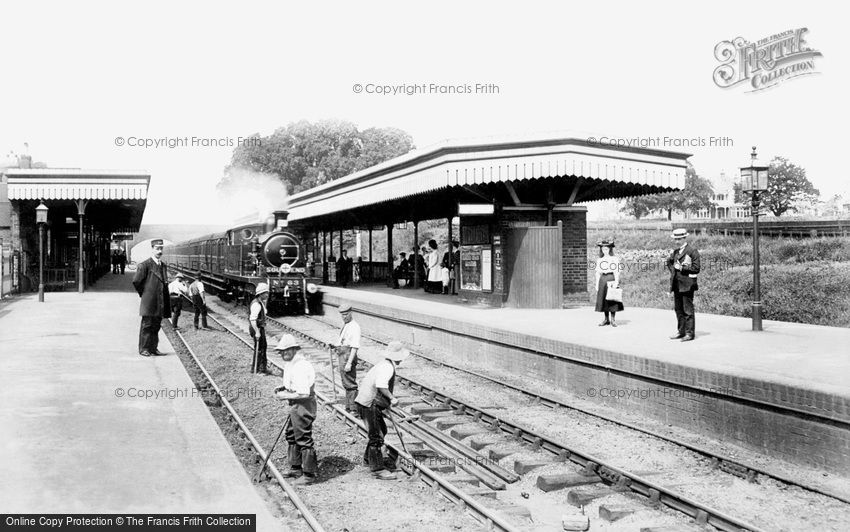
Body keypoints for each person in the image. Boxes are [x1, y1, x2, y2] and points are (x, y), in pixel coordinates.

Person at [355, 341, 410, 480]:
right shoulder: (387, 368)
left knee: (381, 431)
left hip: (367, 402)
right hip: (370, 403)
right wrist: (392, 399)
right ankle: (377, 469)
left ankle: (368, 459)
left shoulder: (384, 364)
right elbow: (381, 385)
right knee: (377, 436)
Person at [273, 334, 318, 483]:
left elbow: (303, 392)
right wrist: (283, 388)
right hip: (295, 403)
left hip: (303, 404)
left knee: (303, 437)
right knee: (291, 434)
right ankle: (295, 468)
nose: (283, 354)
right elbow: (292, 384)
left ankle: (309, 475)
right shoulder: (290, 363)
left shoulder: (301, 366)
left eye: (286, 351)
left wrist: (284, 396)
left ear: (294, 350)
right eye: (281, 352)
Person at [132, 239, 171, 357]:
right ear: (152, 249)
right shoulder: (145, 265)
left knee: (156, 326)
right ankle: (144, 348)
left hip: (160, 301)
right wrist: (144, 294)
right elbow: (136, 281)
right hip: (149, 301)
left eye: (161, 249)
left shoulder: (163, 265)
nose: (159, 251)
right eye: (157, 248)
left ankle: (153, 348)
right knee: (147, 325)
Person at [666, 229, 701, 342]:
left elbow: (696, 269)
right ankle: (681, 331)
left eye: (679, 239)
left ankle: (690, 333)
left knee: (688, 310)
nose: (677, 241)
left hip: (687, 285)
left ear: (684, 238)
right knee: (678, 309)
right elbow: (669, 262)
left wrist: (681, 268)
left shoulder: (692, 251)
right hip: (677, 285)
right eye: (675, 239)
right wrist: (674, 272)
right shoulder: (676, 251)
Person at [335, 302, 360, 414]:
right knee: (346, 382)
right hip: (343, 354)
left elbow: (354, 346)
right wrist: (335, 345)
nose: (344, 317)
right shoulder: (346, 325)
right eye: (342, 315)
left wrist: (349, 363)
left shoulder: (355, 327)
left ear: (351, 313)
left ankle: (354, 408)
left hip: (347, 355)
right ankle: (349, 406)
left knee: (350, 383)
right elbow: (344, 340)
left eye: (346, 314)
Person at [594, 239, 624, 327]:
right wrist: (597, 284)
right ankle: (606, 319)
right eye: (603, 249)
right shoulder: (600, 260)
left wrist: (616, 282)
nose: (605, 251)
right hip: (603, 279)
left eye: (606, 249)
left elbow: (616, 271)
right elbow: (598, 273)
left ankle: (613, 320)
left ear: (610, 249)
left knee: (612, 298)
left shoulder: (614, 259)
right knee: (604, 299)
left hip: (611, 278)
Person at [249, 283, 270, 374]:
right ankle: (258, 369)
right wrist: (257, 332)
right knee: (260, 348)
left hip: (259, 327)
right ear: (260, 294)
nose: (267, 295)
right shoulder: (256, 304)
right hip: (257, 328)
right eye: (265, 293)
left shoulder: (260, 302)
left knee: (263, 347)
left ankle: (261, 368)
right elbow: (252, 319)